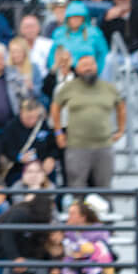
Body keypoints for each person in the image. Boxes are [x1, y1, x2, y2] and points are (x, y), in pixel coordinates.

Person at [51, 53, 125, 189]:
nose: (88, 68)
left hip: (104, 146)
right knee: (76, 187)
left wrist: (121, 130)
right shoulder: (68, 87)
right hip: (76, 146)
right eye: (84, 66)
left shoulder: (109, 88)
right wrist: (58, 132)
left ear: (96, 67)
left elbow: (121, 107)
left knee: (105, 187)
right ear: (77, 69)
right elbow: (55, 108)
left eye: (91, 65)